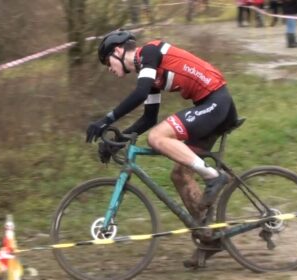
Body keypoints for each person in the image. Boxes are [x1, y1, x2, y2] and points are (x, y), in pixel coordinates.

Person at [86, 30, 238, 268]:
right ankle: (209, 237)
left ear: (117, 51)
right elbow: (148, 118)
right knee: (179, 174)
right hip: (209, 106)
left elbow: (139, 94)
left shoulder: (149, 53)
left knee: (157, 137)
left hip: (216, 102)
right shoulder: (150, 74)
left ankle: (214, 177)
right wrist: (119, 140)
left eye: (107, 62)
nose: (108, 68)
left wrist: (106, 120)